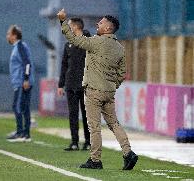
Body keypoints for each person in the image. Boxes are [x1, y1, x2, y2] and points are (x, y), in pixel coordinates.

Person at [57, 9, 138, 170]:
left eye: (100, 23)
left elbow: (74, 39)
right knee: (114, 123)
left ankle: (95, 160)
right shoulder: (120, 48)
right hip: (109, 92)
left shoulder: (95, 41)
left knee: (94, 126)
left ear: (108, 28)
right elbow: (122, 73)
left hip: (94, 90)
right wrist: (112, 86)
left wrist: (63, 22)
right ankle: (128, 153)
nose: (97, 24)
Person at [58, 18, 91, 151]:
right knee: (72, 114)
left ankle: (88, 142)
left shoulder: (87, 42)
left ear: (76, 27)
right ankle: (74, 142)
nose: (68, 29)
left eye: (70, 26)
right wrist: (61, 84)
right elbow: (64, 65)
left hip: (85, 85)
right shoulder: (68, 45)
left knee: (86, 115)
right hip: (71, 84)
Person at [6, 25, 34, 142]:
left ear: (14, 35)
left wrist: (26, 79)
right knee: (24, 107)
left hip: (22, 82)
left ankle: (20, 133)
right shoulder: (19, 47)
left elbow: (27, 63)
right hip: (21, 82)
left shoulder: (20, 46)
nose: (7, 36)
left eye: (9, 34)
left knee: (17, 106)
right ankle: (24, 133)